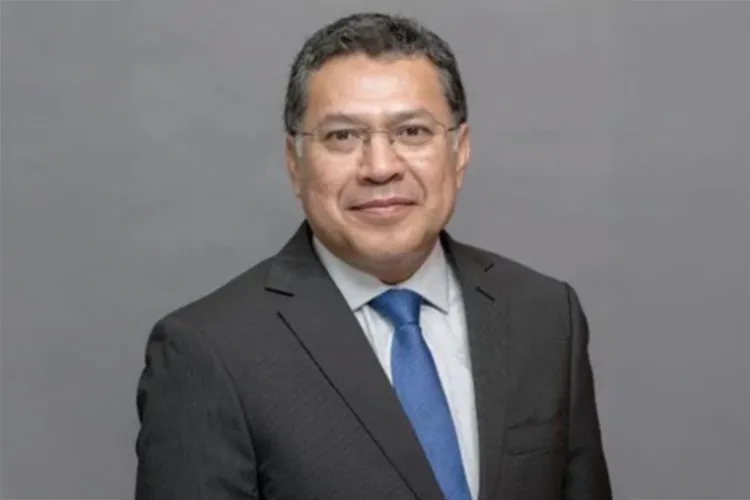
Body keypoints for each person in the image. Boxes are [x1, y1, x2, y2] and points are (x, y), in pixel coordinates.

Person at [135, 12, 612, 500]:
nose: (380, 167)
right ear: (295, 163)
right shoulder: (206, 353)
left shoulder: (545, 316)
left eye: (412, 132)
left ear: (460, 150)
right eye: (342, 136)